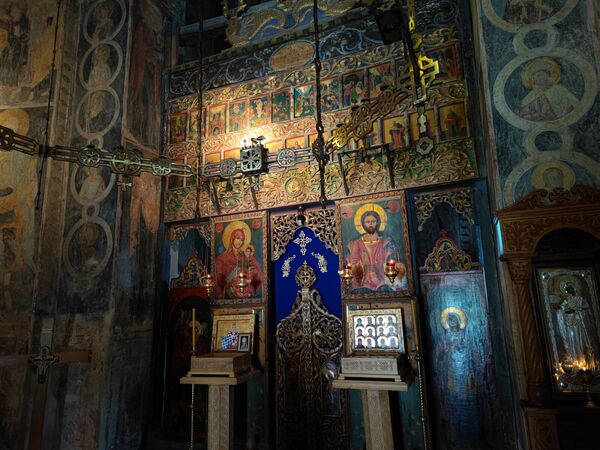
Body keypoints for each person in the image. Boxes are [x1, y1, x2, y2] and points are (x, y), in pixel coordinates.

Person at [346, 209, 406, 291]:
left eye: (373, 221)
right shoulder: (356, 243)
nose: (370, 224)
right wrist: (362, 265)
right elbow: (353, 264)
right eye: (367, 222)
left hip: (383, 281)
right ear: (363, 224)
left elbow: (395, 262)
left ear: (378, 223)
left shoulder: (386, 241)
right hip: (363, 282)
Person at [215, 226, 262, 299]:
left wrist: (252, 271)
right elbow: (219, 280)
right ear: (232, 239)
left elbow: (257, 268)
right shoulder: (222, 258)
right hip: (229, 293)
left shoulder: (245, 255)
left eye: (242, 240)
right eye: (237, 238)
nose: (239, 242)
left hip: (246, 290)